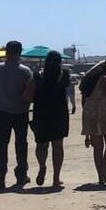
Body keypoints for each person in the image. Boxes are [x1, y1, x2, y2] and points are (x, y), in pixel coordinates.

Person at [0, 40, 35, 190]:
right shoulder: (25, 71)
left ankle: (0, 177)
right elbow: (29, 93)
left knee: (0, 145)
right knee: (21, 144)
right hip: (20, 112)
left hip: (1, 112)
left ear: (6, 52)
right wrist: (26, 104)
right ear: (19, 52)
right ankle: (21, 176)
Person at [31, 51, 70, 187]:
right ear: (59, 62)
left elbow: (33, 92)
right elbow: (66, 88)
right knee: (58, 146)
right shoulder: (64, 74)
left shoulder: (38, 75)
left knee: (41, 144)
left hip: (41, 111)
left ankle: (42, 166)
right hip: (59, 112)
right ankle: (56, 178)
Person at [80, 59, 106, 186]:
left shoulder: (89, 80)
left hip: (89, 114)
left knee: (97, 147)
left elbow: (84, 101)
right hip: (103, 115)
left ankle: (102, 176)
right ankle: (103, 171)